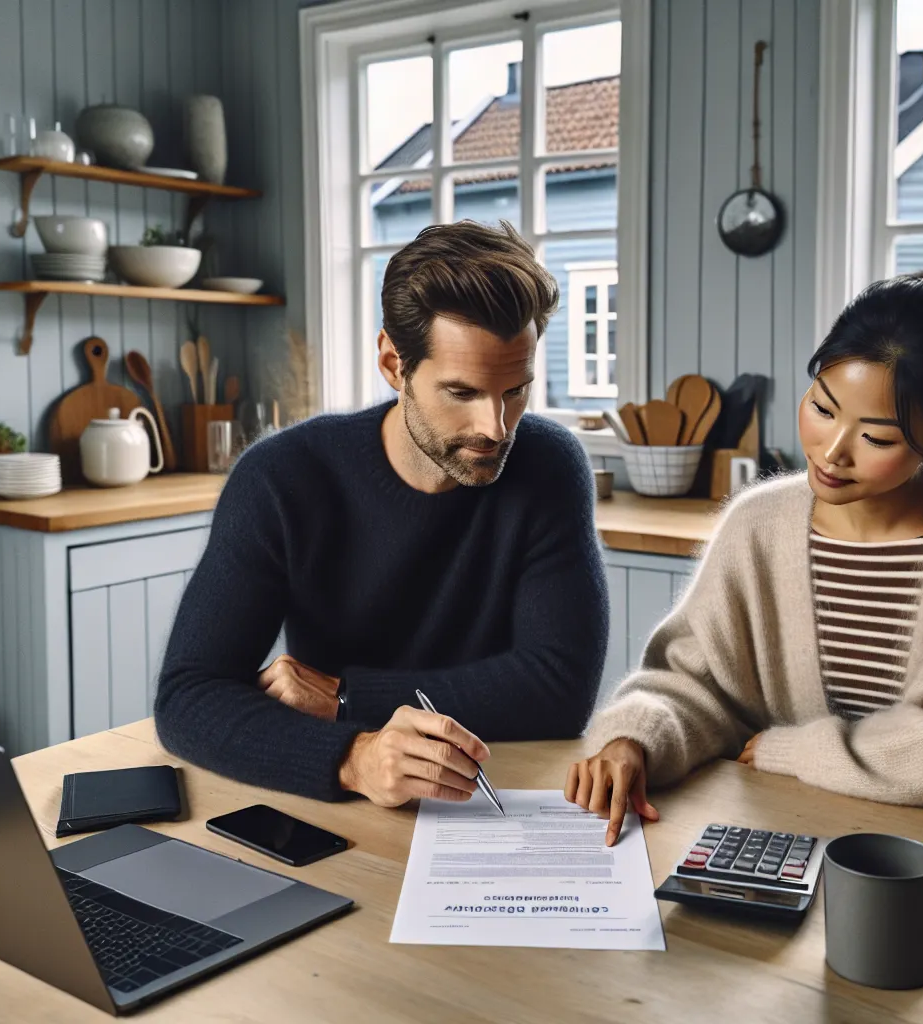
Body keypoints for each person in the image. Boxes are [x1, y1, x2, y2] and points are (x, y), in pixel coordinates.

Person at [566, 276, 923, 845]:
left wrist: (788, 750)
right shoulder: (758, 520)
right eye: (822, 407)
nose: (832, 452)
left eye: (878, 439)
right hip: (802, 826)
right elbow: (697, 682)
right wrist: (635, 737)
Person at [156, 220, 609, 808]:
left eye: (515, 391)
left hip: (504, 800)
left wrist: (349, 698)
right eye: (463, 393)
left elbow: (560, 689)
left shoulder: (549, 466)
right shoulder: (284, 478)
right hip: (343, 811)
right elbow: (188, 696)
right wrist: (352, 757)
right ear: (394, 364)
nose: (495, 429)